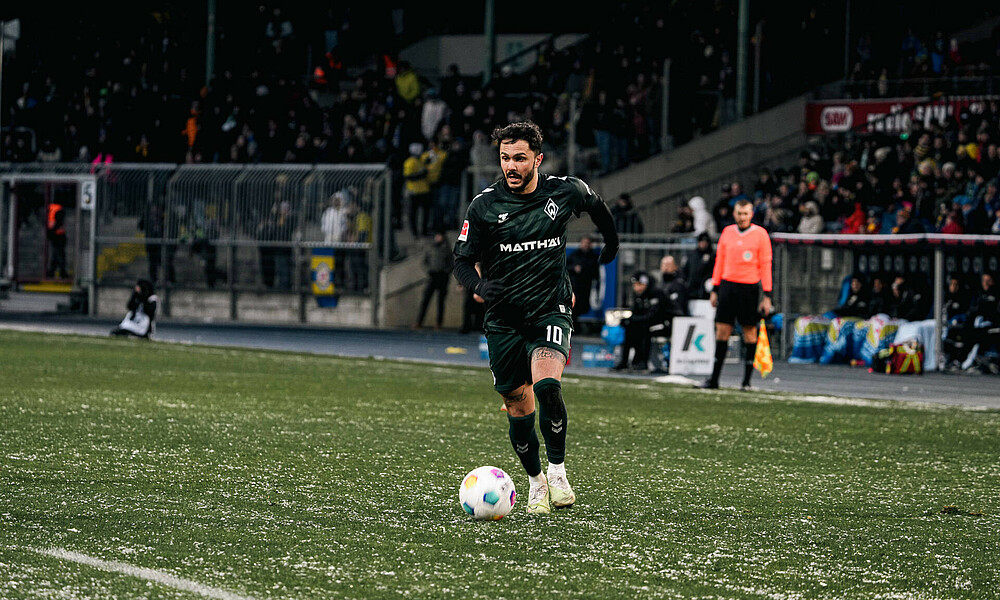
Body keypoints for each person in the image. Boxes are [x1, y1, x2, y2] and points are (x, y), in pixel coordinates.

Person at [453, 120, 619, 514]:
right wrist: (479, 287)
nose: (511, 166)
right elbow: (461, 261)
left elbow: (597, 206)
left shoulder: (563, 191)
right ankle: (535, 482)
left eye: (520, 159)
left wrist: (611, 243)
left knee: (547, 387)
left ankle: (558, 472)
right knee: (517, 403)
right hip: (504, 320)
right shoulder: (484, 206)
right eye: (505, 158)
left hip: (550, 308)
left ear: (537, 159)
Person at [699, 198, 773, 390]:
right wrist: (715, 289)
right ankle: (714, 379)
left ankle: (746, 382)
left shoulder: (760, 234)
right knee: (722, 331)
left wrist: (767, 294)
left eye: (746, 214)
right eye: (739, 214)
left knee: (749, 331)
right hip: (727, 286)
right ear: (734, 214)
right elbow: (720, 262)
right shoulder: (727, 232)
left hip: (748, 288)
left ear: (751, 214)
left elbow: (765, 264)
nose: (742, 217)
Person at [613, 271, 669, 372]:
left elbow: (653, 315)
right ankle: (625, 361)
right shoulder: (639, 295)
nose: (636, 288)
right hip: (647, 322)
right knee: (630, 327)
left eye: (639, 285)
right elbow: (635, 312)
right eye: (635, 285)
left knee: (645, 328)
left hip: (664, 323)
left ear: (645, 284)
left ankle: (643, 361)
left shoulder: (656, 293)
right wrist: (627, 320)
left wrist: (634, 319)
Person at [413, 230, 454, 330]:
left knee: (440, 302)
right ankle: (419, 321)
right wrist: (429, 270)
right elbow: (424, 261)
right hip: (432, 276)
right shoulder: (431, 248)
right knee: (426, 300)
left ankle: (438, 323)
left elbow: (451, 263)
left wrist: (445, 271)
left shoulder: (446, 249)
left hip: (443, 277)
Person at [566, 235, 601, 331]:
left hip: (586, 286)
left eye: (588, 243)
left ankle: (576, 326)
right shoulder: (574, 254)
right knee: (573, 307)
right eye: (584, 243)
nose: (586, 245)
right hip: (574, 286)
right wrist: (574, 268)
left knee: (583, 306)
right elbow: (566, 266)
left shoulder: (593, 257)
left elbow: (595, 271)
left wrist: (584, 269)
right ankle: (573, 327)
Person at [683, 232, 715, 300]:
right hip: (691, 290)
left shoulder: (713, 256)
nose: (703, 244)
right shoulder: (692, 255)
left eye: (705, 241)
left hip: (705, 291)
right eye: (701, 241)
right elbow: (685, 270)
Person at [45, 200, 68, 279]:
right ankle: (62, 272)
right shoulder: (59, 209)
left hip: (54, 234)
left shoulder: (50, 209)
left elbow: (49, 222)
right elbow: (58, 222)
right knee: (59, 254)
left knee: (56, 254)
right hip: (59, 234)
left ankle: (52, 271)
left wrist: (50, 233)